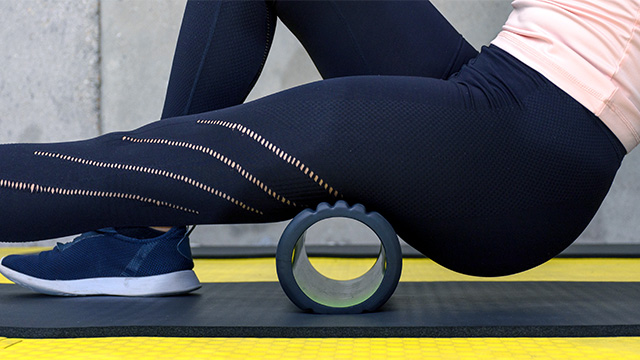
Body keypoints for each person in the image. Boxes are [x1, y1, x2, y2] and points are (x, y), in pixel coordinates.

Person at [0, 0, 636, 297]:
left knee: (147, 165)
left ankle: (143, 215)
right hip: (493, 82)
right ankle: (148, 233)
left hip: (527, 157)